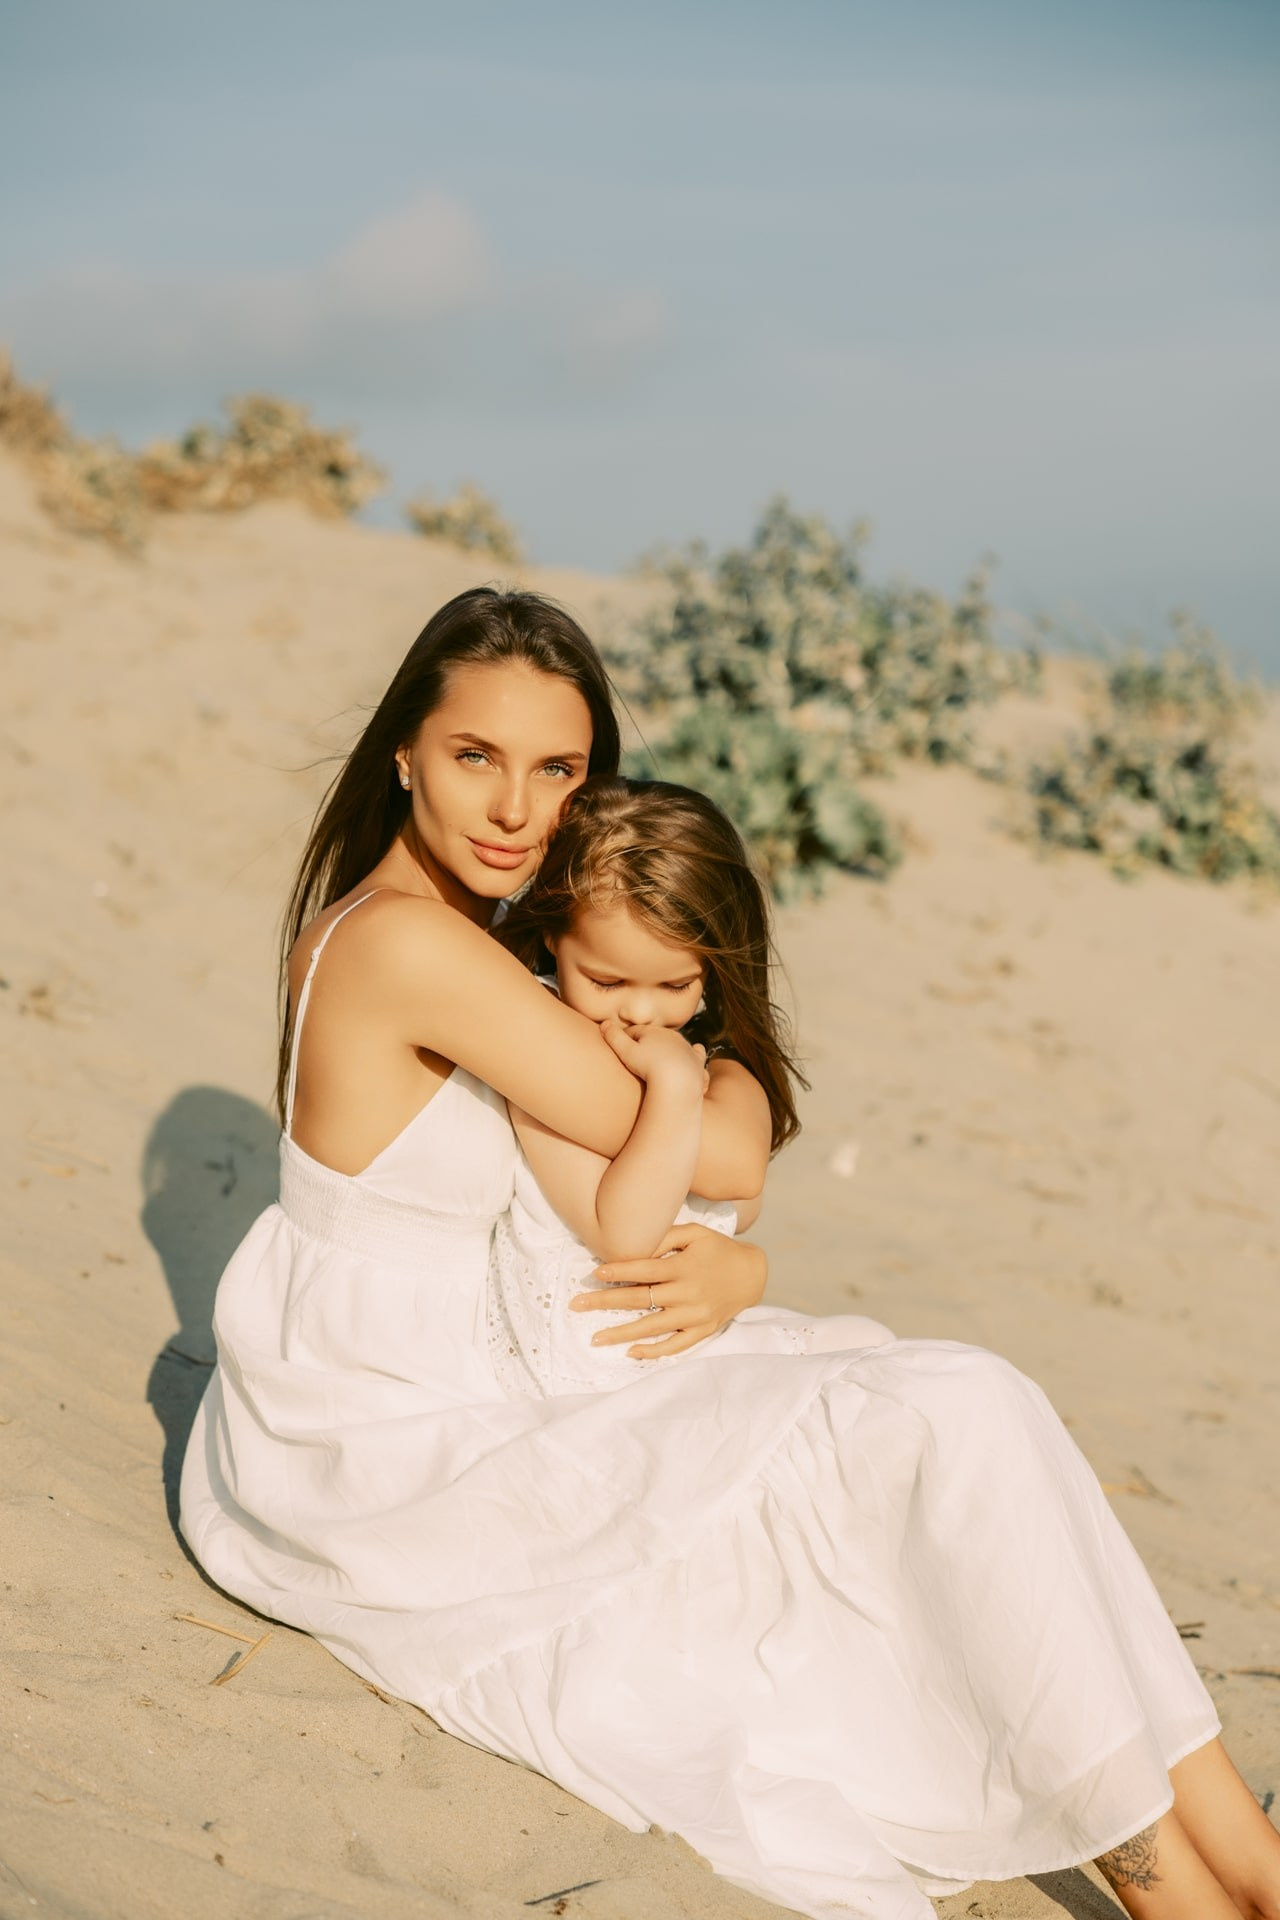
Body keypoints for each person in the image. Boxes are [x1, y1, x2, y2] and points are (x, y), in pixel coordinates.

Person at [181, 587, 1280, 1920]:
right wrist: (721, 1164)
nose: (515, 808)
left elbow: (707, 1109)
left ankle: (1243, 1859)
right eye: (477, 757)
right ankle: (1180, 1885)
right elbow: (730, 1147)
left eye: (557, 769)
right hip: (391, 1437)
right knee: (941, 1426)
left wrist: (743, 1261)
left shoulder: (497, 936)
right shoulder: (410, 947)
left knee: (971, 1418)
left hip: (512, 1358)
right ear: (404, 751)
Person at [487, 775, 895, 1398]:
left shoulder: (714, 1056)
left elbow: (741, 1192)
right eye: (606, 981)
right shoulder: (541, 1035)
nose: (640, 1014)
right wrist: (676, 1089)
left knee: (876, 1351)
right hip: (595, 1352)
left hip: (678, 1328)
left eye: (674, 987)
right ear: (552, 935)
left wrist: (744, 1269)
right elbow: (624, 1233)